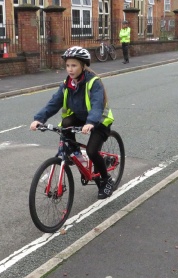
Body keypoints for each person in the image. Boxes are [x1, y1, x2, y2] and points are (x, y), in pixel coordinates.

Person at [30, 46, 115, 199]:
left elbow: (97, 105)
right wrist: (39, 119)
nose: (70, 69)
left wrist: (91, 122)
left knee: (92, 151)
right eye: (68, 65)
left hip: (99, 121)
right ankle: (74, 152)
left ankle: (106, 179)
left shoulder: (93, 82)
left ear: (83, 66)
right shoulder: (67, 84)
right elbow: (54, 103)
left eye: (74, 65)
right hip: (82, 118)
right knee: (66, 123)